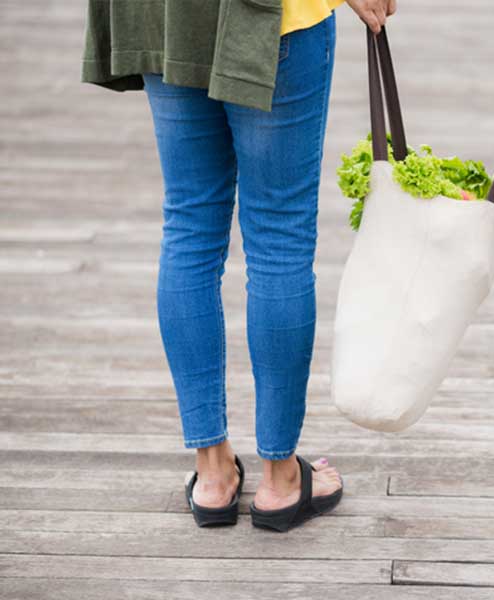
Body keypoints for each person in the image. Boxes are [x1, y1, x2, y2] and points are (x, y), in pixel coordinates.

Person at [80, 0, 396, 531]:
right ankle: (279, 479)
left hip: (168, 18)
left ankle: (212, 474)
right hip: (269, 18)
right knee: (279, 238)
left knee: (189, 229)